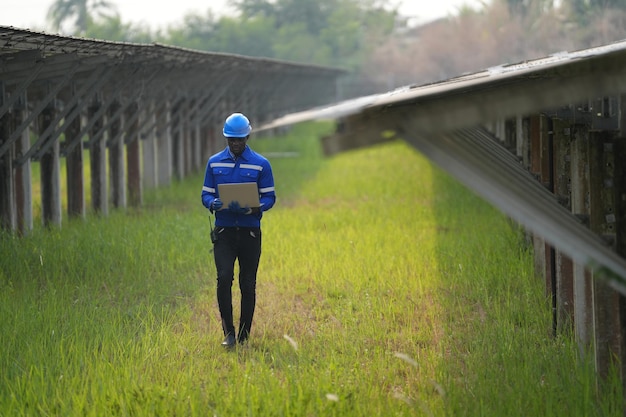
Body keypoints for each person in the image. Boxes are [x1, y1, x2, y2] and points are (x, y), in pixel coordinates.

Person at [201, 112, 276, 348]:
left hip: (249, 233)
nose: (236, 144)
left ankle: (244, 335)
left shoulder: (261, 164)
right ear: (226, 138)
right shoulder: (214, 163)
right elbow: (206, 193)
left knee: (248, 283)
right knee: (223, 278)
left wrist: (254, 208)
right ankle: (229, 333)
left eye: (240, 139)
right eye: (232, 140)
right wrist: (212, 203)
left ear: (247, 137)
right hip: (224, 232)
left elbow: (270, 197)